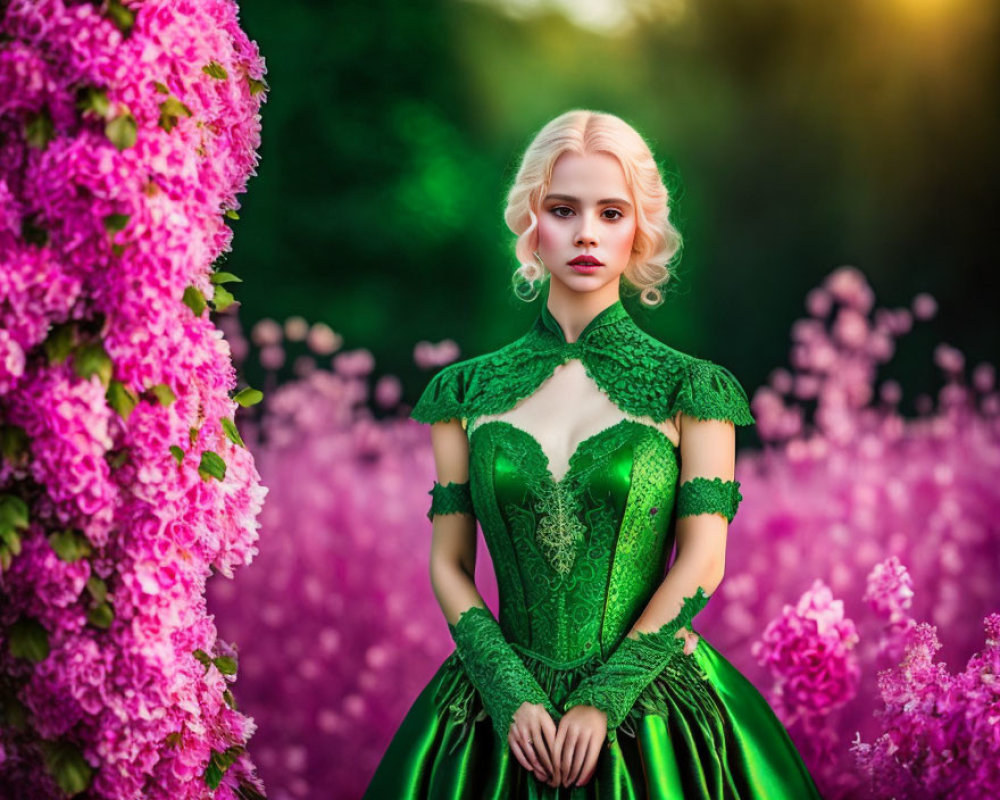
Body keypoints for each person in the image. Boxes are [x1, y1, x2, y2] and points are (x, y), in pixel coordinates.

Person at [363, 110, 823, 798]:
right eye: (562, 209)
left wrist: (604, 698)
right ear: (530, 224)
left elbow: (704, 561)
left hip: (655, 712)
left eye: (611, 212)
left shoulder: (693, 389)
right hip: (497, 712)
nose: (585, 233)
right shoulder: (463, 393)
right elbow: (450, 564)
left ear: (639, 228)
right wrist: (507, 689)